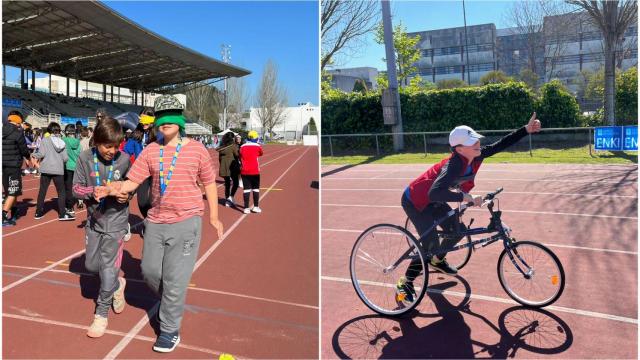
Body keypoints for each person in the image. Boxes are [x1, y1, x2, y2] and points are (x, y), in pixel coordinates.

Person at [99, 95, 223, 353]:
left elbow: (210, 182)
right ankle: (170, 302)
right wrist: (112, 188)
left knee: (175, 280)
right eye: (160, 118)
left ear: (180, 119)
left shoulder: (197, 149)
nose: (165, 123)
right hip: (155, 222)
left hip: (187, 222)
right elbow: (133, 182)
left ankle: (169, 329)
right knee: (150, 272)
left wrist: (213, 216)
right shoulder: (151, 151)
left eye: (170, 116)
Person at [396, 113, 542, 302]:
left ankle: (438, 261)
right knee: (430, 244)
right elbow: (433, 193)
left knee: (458, 231)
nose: (477, 144)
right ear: (459, 149)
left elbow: (500, 144)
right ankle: (405, 282)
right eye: (471, 142)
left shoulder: (475, 156)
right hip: (416, 201)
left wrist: (526, 130)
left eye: (476, 139)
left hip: (435, 199)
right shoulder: (453, 166)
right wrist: (466, 197)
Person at [72, 117, 131, 338]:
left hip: (116, 223)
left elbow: (131, 186)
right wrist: (91, 192)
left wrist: (125, 196)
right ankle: (117, 285)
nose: (112, 151)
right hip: (94, 221)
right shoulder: (85, 158)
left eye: (116, 146)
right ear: (96, 141)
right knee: (91, 265)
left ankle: (101, 313)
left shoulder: (124, 159)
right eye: (108, 146)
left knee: (108, 268)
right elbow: (75, 188)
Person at [33, 122, 74, 221]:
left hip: (46, 168)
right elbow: (65, 158)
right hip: (58, 170)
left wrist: (34, 154)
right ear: (58, 131)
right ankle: (62, 214)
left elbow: (41, 154)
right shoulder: (62, 142)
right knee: (61, 192)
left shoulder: (45, 140)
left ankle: (38, 212)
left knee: (42, 191)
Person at [2, 111, 32, 226]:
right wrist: (29, 158)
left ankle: (14, 211)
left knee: (9, 190)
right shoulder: (18, 133)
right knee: (13, 191)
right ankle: (3, 216)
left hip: (3, 165)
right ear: (18, 122)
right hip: (13, 165)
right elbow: (24, 149)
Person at [239, 130, 263, 214]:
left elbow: (240, 155)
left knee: (246, 190)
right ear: (255, 138)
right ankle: (256, 207)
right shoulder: (258, 146)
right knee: (255, 189)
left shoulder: (242, 146)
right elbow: (260, 153)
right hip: (255, 171)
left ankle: (246, 208)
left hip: (244, 171)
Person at [216, 132, 240, 207]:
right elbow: (237, 155)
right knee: (236, 183)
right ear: (232, 138)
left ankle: (227, 199)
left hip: (224, 166)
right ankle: (231, 197)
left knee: (227, 184)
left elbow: (219, 159)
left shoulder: (222, 147)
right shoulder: (233, 146)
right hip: (232, 167)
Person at [63, 124, 81, 215]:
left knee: (68, 188)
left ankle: (69, 207)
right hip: (76, 166)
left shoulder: (64, 140)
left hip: (67, 166)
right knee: (77, 185)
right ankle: (80, 200)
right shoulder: (78, 142)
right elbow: (79, 154)